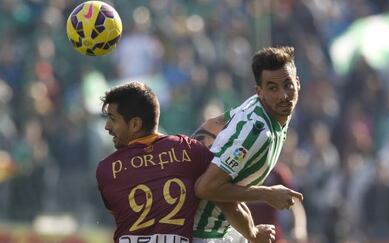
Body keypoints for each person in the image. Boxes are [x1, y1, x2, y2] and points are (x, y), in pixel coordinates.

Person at [96, 82, 276, 243]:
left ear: (135, 124)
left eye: (113, 119)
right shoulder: (190, 151)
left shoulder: (106, 170)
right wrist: (253, 232)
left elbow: (120, 213)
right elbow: (228, 202)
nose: (107, 127)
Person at [192, 46, 304, 242]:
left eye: (288, 85)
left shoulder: (260, 107)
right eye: (273, 88)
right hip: (204, 235)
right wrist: (267, 195)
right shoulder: (257, 133)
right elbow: (205, 188)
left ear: (297, 83)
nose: (283, 95)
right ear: (259, 91)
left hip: (223, 231)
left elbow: (215, 123)